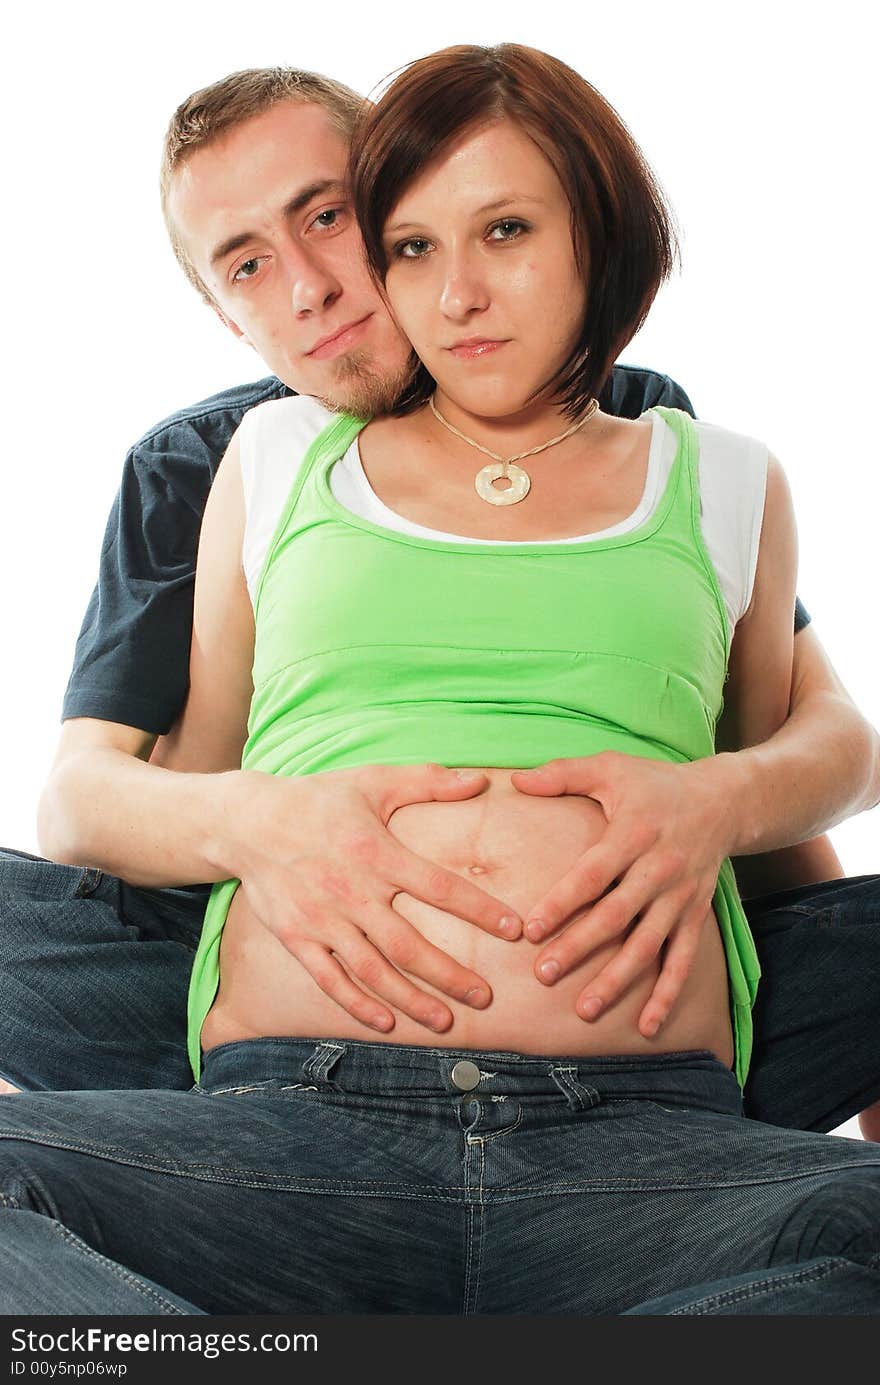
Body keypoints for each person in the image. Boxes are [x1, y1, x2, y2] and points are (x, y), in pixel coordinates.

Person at [2, 43, 880, 1317]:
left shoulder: (670, 445)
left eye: (330, 220)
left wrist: (725, 845)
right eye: (248, 263)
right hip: (296, 1062)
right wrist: (273, 832)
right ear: (221, 307)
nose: (308, 287)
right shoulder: (230, 456)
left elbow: (790, 737)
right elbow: (107, 803)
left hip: (635, 1105)